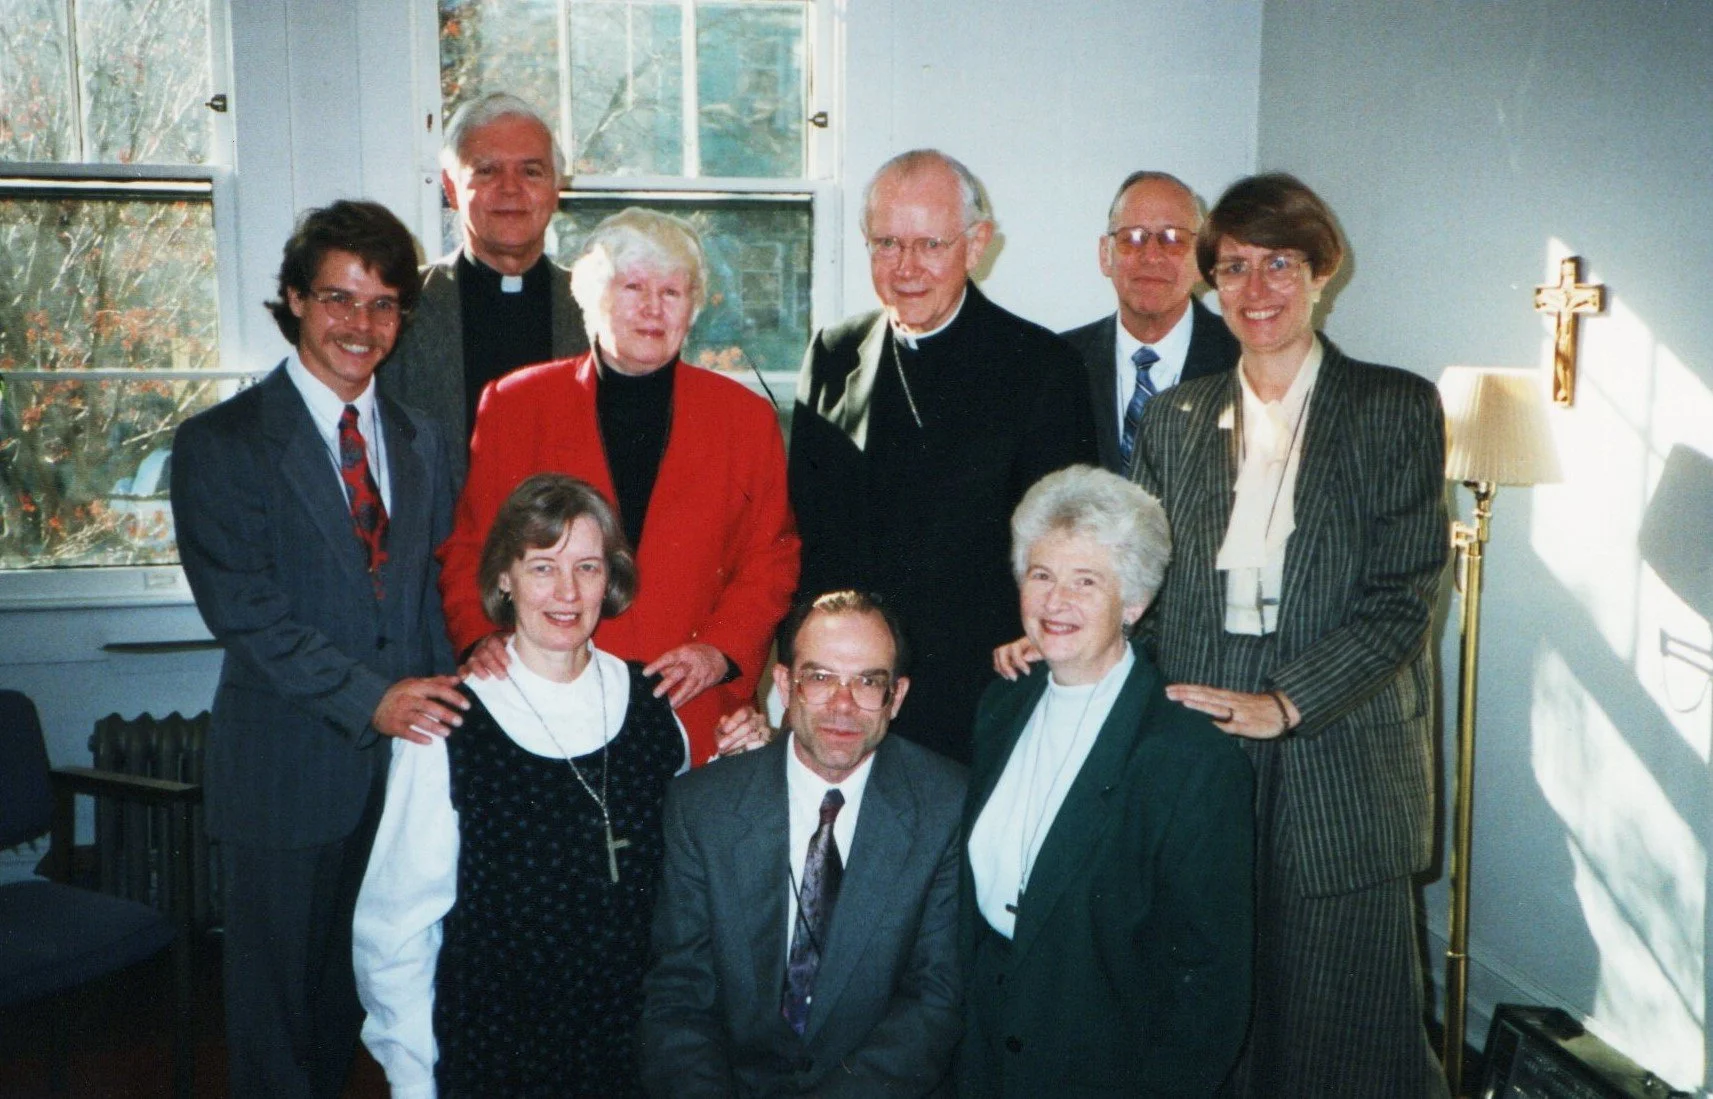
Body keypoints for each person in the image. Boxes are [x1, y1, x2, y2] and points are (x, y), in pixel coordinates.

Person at [1135, 173, 1450, 1097]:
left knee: (1344, 1025)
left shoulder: (1393, 406)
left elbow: (1402, 592)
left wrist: (1286, 702)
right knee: (1216, 1004)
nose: (1256, 288)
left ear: (1323, 272)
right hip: (1204, 743)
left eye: (1280, 263)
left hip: (1338, 748)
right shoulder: (1176, 418)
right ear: (1209, 284)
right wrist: (1068, 636)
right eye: (1232, 267)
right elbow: (1142, 583)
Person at [170, 200, 464, 1099]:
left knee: (359, 996)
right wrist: (370, 697)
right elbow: (246, 611)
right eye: (338, 298)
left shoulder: (422, 441)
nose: (360, 325)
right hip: (285, 773)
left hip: (405, 775)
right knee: (277, 1022)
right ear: (294, 299)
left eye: (382, 305)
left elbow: (430, 596)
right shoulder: (221, 442)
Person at [355, 474, 688, 1097]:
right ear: (503, 577)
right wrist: (412, 1076)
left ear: (609, 578)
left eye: (587, 567)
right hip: (496, 1049)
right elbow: (395, 926)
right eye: (542, 567)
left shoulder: (654, 704)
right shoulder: (448, 723)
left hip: (633, 1049)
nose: (566, 592)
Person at [438, 206, 798, 765]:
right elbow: (472, 546)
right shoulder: (516, 404)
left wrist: (718, 653)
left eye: (672, 292)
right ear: (592, 298)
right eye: (632, 288)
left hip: (691, 703)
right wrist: (481, 635)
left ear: (692, 307)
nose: (653, 309)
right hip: (547, 696)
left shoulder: (744, 419)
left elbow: (770, 559)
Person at [790, 149, 1098, 764]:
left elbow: (1065, 543)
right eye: (885, 244)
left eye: (930, 244)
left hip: (981, 695)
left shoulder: (1039, 367)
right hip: (852, 699)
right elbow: (806, 531)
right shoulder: (832, 354)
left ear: (976, 243)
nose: (906, 268)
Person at [962, 466, 1254, 1096]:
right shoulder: (1001, 706)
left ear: (1135, 602)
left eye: (1085, 581)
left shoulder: (1189, 758)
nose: (1055, 601)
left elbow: (1212, 985)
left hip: (1106, 1068)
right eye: (1041, 575)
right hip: (985, 1052)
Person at [640, 590, 965, 1098]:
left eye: (867, 681)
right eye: (820, 677)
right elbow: (680, 998)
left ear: (896, 697)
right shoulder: (702, 808)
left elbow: (935, 1001)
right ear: (786, 684)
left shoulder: (946, 805)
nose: (842, 704)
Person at [380, 92, 589, 489]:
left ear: (556, 187)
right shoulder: (399, 308)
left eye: (531, 171)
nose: (510, 189)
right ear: (451, 188)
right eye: (487, 170)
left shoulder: (599, 312)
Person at [1060, 171, 1239, 475]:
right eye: (1133, 238)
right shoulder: (1061, 363)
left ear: (1201, 259)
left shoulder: (1244, 359)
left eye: (1173, 239)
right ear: (1106, 255)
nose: (1152, 256)